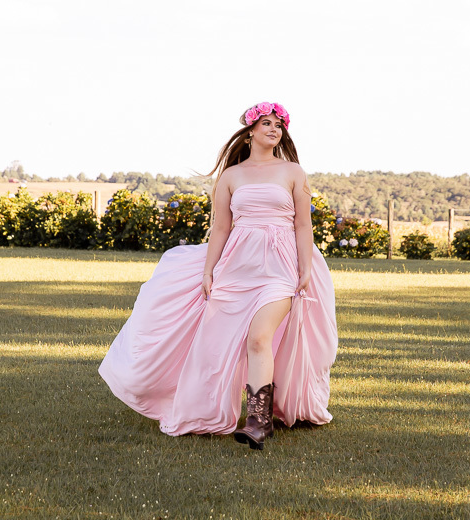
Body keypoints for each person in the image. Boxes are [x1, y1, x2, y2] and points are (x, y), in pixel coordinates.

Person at [99, 102, 337, 450]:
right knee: (218, 343)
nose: (274, 129)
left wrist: (305, 269)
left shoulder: (293, 172)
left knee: (259, 338)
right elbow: (221, 227)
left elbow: (303, 224)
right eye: (267, 123)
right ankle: (205, 407)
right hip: (237, 267)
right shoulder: (231, 176)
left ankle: (258, 422)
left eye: (279, 125)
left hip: (280, 265)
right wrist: (209, 271)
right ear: (251, 130)